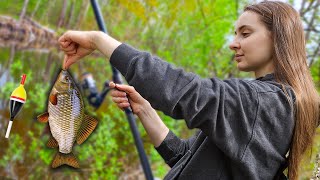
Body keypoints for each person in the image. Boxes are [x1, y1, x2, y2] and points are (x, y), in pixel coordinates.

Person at [58, 1, 319, 179]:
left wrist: (99, 40)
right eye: (235, 33)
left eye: (245, 33)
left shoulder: (265, 102)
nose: (233, 43)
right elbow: (187, 158)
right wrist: (145, 111)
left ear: (278, 38)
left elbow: (185, 90)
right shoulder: (266, 102)